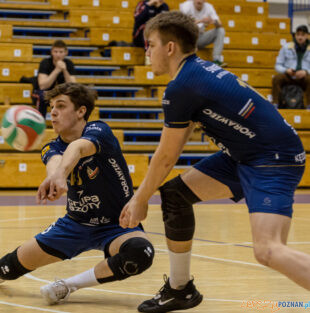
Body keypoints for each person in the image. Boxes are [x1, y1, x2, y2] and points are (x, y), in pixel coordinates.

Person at [118, 11, 310, 313]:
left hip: (273, 160)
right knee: (176, 195)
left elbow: (167, 156)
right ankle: (180, 290)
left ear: (170, 48)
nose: (147, 51)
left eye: (150, 44)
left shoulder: (182, 85)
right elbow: (173, 149)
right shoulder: (196, 73)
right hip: (246, 155)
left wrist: (139, 199)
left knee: (268, 250)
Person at [0, 83, 154, 305]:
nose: (53, 112)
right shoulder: (51, 147)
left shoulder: (100, 131)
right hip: (75, 225)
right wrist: (54, 176)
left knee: (140, 252)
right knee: (9, 267)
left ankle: (68, 286)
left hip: (117, 223)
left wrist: (60, 174)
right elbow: (55, 160)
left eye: (61, 106)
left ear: (81, 111)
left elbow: (78, 148)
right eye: (51, 107)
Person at [36, 40, 76, 118]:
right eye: (56, 52)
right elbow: (43, 86)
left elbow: (73, 86)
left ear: (66, 52)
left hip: (61, 93)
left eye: (61, 52)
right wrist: (57, 70)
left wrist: (64, 70)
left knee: (75, 96)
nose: (58, 55)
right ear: (52, 52)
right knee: (42, 96)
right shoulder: (45, 63)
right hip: (46, 93)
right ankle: (40, 123)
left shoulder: (69, 64)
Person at [272, 24, 310, 107]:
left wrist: (306, 72)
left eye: (303, 35)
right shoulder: (286, 47)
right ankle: (275, 104)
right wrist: (286, 70)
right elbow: (277, 65)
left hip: (304, 77)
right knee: (276, 79)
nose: (300, 37)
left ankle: (308, 106)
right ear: (295, 35)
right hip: (289, 75)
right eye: (298, 34)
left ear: (307, 36)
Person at [180, 0, 226, 67]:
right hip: (188, 37)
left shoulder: (209, 7)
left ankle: (217, 60)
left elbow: (219, 24)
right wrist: (198, 22)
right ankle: (183, 59)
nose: (199, 1)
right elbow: (180, 24)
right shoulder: (186, 6)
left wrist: (213, 21)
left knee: (220, 30)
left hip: (200, 37)